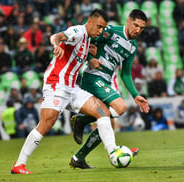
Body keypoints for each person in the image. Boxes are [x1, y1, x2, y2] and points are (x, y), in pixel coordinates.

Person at [11, 9, 117, 174]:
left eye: (103, 28)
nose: (101, 31)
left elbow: (76, 54)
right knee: (47, 123)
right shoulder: (78, 32)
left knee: (102, 111)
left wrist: (91, 60)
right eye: (99, 26)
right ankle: (19, 164)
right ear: (89, 22)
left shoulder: (88, 40)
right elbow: (57, 36)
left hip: (72, 88)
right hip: (57, 84)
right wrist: (55, 45)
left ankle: (113, 153)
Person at [69, 9, 150, 169]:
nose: (137, 30)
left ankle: (79, 157)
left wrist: (135, 95)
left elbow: (125, 74)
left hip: (105, 81)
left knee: (106, 123)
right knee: (120, 107)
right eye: (135, 25)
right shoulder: (111, 32)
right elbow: (89, 43)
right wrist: (91, 59)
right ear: (128, 21)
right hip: (92, 77)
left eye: (141, 28)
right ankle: (82, 122)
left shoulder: (133, 47)